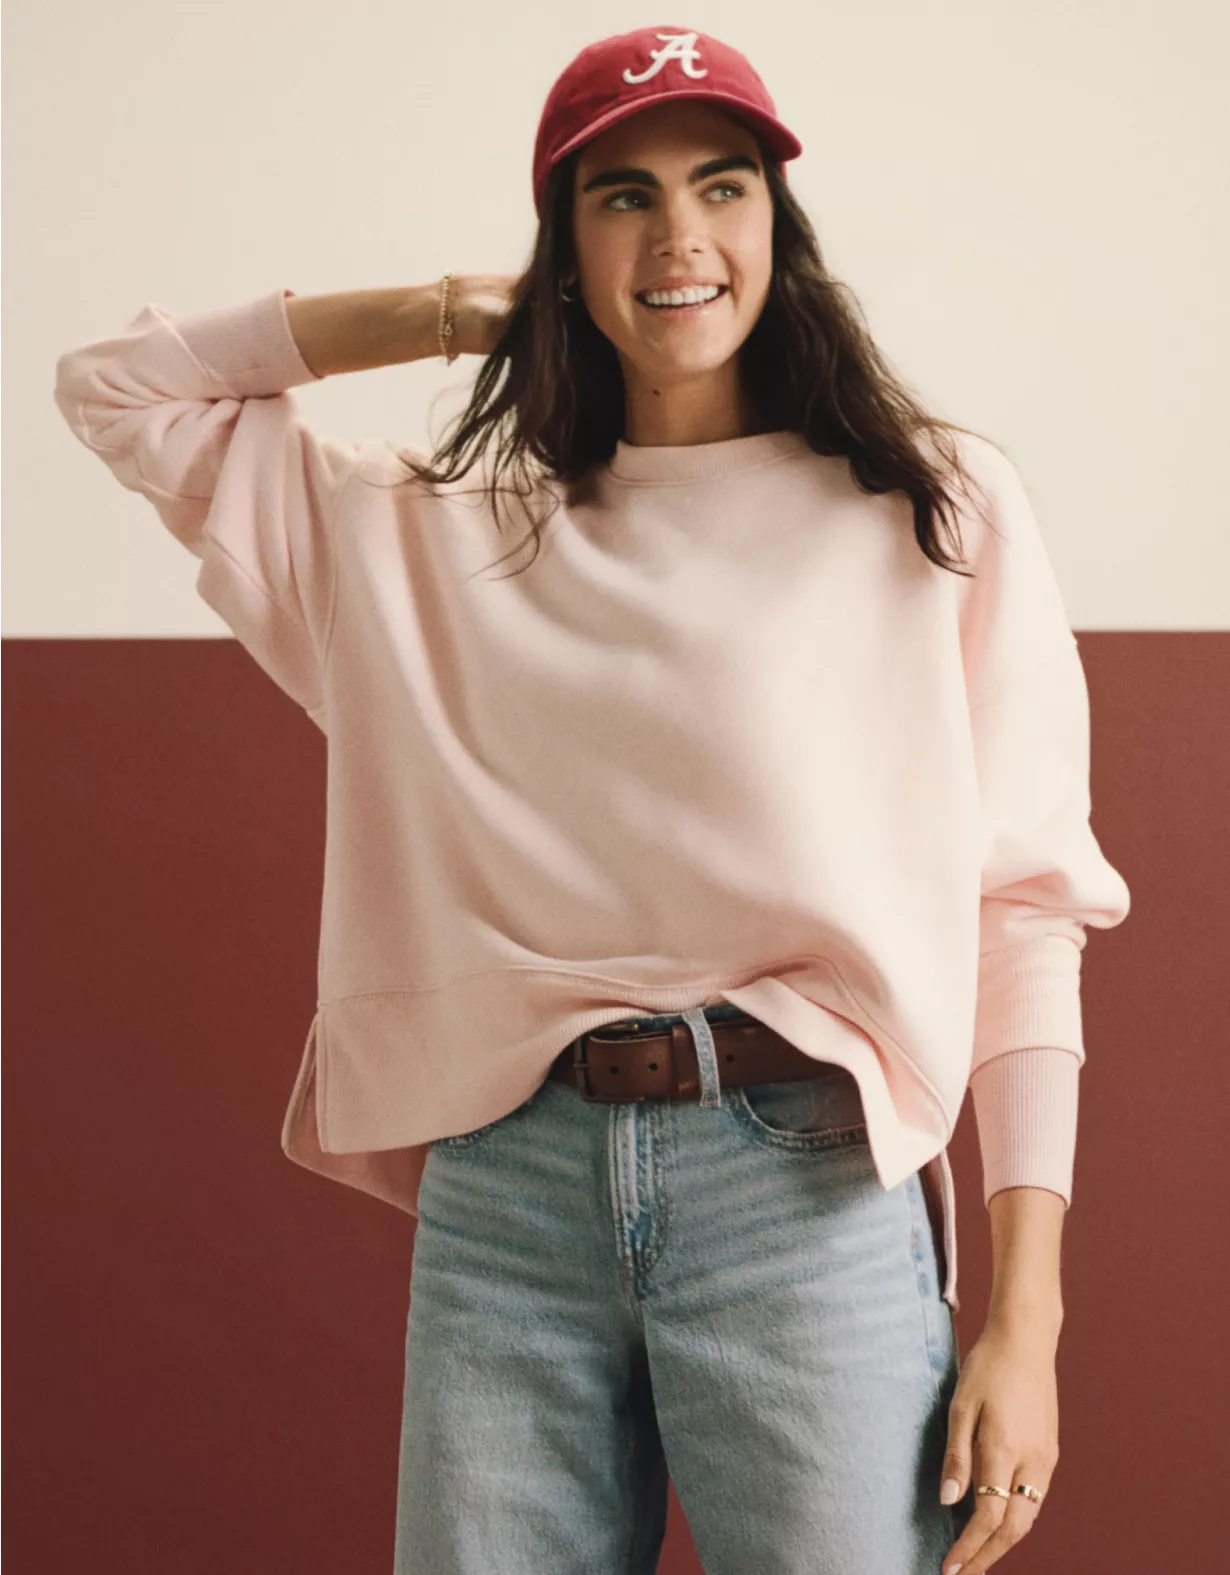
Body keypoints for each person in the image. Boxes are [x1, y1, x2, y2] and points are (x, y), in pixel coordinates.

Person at [53, 23, 1131, 1575]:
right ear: (561, 244)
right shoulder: (419, 535)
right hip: (509, 1188)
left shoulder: (930, 509)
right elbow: (118, 389)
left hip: (803, 1182)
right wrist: (450, 312)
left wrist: (1026, 1324)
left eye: (723, 185)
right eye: (621, 195)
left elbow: (1022, 908)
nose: (679, 234)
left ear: (778, 223)